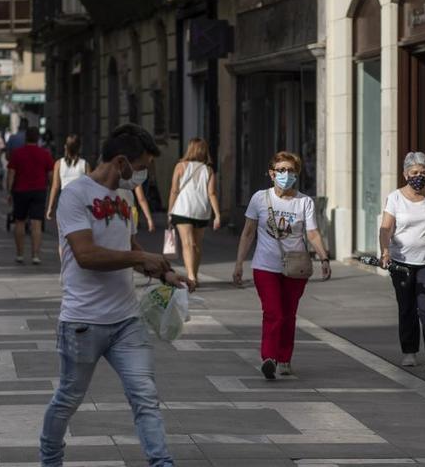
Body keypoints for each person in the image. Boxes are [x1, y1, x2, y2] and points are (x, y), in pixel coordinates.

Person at [39, 123, 189, 467]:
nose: (143, 175)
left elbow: (129, 245)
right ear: (121, 162)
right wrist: (139, 257)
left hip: (126, 321)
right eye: (141, 168)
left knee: (145, 395)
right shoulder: (75, 195)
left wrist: (165, 273)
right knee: (68, 397)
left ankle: (161, 462)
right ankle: (49, 458)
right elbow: (86, 255)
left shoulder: (123, 198)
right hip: (83, 322)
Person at [233, 151, 331, 380]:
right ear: (271, 173)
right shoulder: (259, 198)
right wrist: (239, 263)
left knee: (289, 314)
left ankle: (285, 358)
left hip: (295, 267)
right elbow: (248, 233)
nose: (286, 175)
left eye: (291, 171)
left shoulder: (304, 202)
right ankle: (269, 358)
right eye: (281, 170)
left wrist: (324, 257)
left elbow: (313, 233)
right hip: (264, 266)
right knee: (273, 312)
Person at [378, 151, 425, 370]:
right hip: (401, 262)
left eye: (422, 172)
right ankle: (409, 351)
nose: (418, 176)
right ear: (405, 174)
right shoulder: (395, 198)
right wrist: (385, 251)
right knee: (407, 307)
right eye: (414, 172)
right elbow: (386, 228)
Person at [168, 138, 222, 286]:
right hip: (202, 211)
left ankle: (191, 276)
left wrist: (169, 211)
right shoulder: (209, 169)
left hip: (183, 209)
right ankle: (195, 276)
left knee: (188, 244)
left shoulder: (180, 166)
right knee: (197, 245)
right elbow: (212, 193)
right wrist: (217, 215)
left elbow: (174, 190)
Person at [7, 127, 54, 264]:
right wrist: (53, 191)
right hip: (39, 190)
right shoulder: (45, 154)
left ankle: (20, 254)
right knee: (36, 223)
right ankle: (35, 256)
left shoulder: (17, 153)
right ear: (38, 138)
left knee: (19, 222)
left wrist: (9, 191)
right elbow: (51, 175)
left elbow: (11, 174)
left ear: (26, 137)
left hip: (20, 190)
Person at [45, 134, 90, 221]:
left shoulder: (58, 163)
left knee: (64, 230)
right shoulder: (85, 164)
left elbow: (55, 187)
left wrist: (50, 207)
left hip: (65, 201)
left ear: (66, 147)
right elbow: (90, 187)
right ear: (79, 148)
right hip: (80, 202)